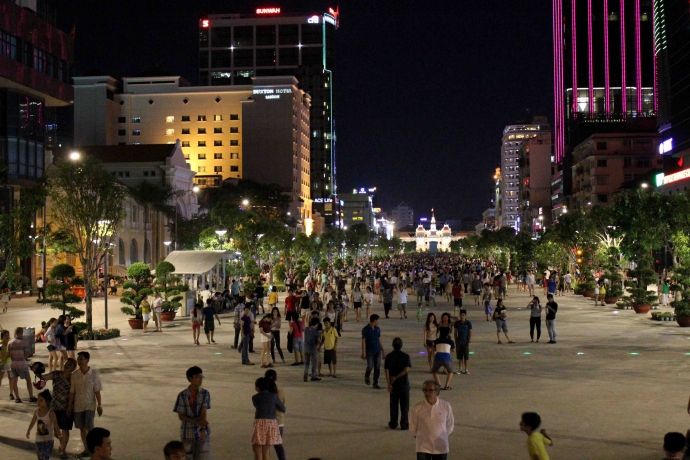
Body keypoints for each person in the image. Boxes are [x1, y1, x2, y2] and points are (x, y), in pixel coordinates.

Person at [67, 351, 103, 458]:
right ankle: (86, 449)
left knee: (90, 428)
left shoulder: (94, 374)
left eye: (81, 359)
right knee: (82, 428)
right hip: (78, 406)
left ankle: (93, 449)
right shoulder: (74, 375)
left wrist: (99, 405)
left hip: (89, 405)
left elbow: (97, 391)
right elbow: (72, 392)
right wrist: (69, 406)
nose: (79, 361)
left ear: (87, 360)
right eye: (78, 359)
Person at [410, 380, 454, 460]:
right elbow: (413, 427)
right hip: (423, 447)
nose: (427, 393)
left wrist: (441, 437)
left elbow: (450, 426)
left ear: (437, 391)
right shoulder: (417, 408)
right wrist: (422, 438)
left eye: (430, 390)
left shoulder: (446, 406)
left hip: (441, 447)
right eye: (425, 390)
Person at [42, 357, 77, 459]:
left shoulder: (73, 378)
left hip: (67, 407)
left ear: (73, 368)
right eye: (66, 363)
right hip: (54, 406)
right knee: (52, 428)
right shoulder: (56, 374)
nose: (67, 365)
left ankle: (63, 450)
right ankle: (62, 442)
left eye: (70, 365)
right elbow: (44, 377)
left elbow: (74, 392)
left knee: (65, 430)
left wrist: (70, 406)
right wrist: (37, 371)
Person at [173, 366, 211, 460]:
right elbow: (181, 416)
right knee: (187, 457)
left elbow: (204, 411)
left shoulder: (205, 393)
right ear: (190, 378)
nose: (200, 379)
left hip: (201, 432)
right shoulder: (182, 395)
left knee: (203, 457)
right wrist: (198, 422)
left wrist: (202, 427)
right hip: (187, 433)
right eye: (197, 377)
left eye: (202, 376)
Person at [251, 377, 286, 460]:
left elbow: (257, 406)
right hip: (271, 423)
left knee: (257, 449)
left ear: (258, 387)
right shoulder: (274, 396)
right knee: (266, 450)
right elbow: (283, 408)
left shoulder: (255, 397)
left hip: (260, 422)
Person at [384, 337, 411, 430]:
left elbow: (386, 371)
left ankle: (393, 423)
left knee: (393, 406)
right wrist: (397, 376)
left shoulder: (388, 356)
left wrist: (389, 383)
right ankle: (404, 424)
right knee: (405, 407)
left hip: (393, 385)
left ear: (393, 345)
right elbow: (406, 370)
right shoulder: (406, 356)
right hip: (404, 385)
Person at [26, 389, 60, 460]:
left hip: (48, 440)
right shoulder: (36, 412)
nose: (39, 402)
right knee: (40, 457)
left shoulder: (51, 413)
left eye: (41, 400)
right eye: (38, 400)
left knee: (45, 456)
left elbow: (55, 424)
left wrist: (60, 435)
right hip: (39, 439)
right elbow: (32, 422)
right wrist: (29, 430)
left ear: (47, 402)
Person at [9, 327, 36, 403]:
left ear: (15, 333)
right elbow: (26, 354)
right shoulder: (24, 342)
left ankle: (17, 398)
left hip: (13, 364)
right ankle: (31, 396)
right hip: (22, 363)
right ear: (22, 333)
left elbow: (9, 354)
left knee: (14, 381)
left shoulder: (10, 343)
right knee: (28, 380)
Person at [264, 370, 286, 460]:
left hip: (268, 421)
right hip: (279, 421)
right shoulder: (280, 392)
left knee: (265, 447)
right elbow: (283, 406)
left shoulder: (264, 395)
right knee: (278, 445)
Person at [361, 314, 386, 389]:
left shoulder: (377, 329)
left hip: (378, 351)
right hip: (370, 352)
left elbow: (379, 339)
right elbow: (363, 341)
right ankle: (367, 375)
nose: (378, 322)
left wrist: (383, 350)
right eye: (377, 320)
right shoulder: (365, 329)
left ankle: (375, 383)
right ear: (374, 320)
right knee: (370, 366)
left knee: (377, 368)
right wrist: (363, 352)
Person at [453, 310, 472, 375]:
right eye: (461, 315)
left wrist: (469, 339)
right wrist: (455, 340)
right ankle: (460, 369)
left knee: (466, 357)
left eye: (463, 315)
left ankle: (466, 369)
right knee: (460, 357)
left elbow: (470, 332)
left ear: (465, 316)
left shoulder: (468, 323)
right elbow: (455, 332)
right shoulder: (457, 323)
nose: (462, 316)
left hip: (465, 341)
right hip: (459, 341)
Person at [303, 317, 322, 382]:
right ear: (316, 324)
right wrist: (319, 345)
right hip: (313, 349)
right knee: (314, 363)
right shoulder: (316, 332)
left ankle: (305, 373)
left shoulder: (306, 329)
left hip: (305, 348)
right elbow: (319, 341)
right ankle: (313, 376)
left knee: (306, 363)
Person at [0, 329, 11, 398]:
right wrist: (2, 360)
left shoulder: (10, 343)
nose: (7, 337)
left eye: (8, 335)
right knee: (0, 378)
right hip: (2, 363)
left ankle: (11, 393)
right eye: (5, 335)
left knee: (11, 378)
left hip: (9, 362)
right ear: (2, 337)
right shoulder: (0, 343)